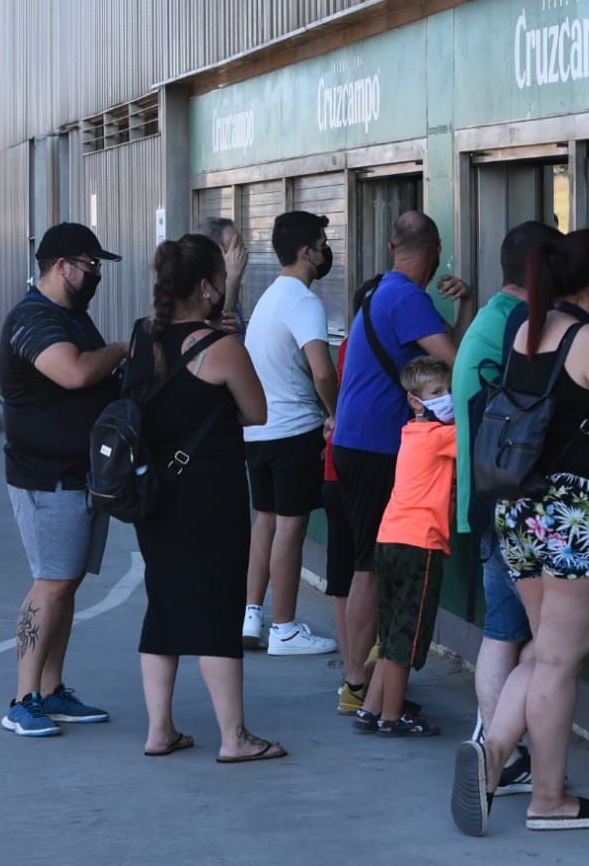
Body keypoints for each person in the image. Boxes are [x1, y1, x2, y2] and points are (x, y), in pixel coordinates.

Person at [452, 229, 589, 838]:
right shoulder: (586, 336)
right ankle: (547, 798)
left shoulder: (527, 327)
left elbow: (568, 400)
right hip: (580, 519)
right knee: (557, 662)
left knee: (543, 651)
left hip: (521, 511)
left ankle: (492, 755)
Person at [132, 234, 285, 762]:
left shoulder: (140, 339)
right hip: (209, 496)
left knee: (165, 605)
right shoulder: (221, 349)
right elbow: (257, 412)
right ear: (207, 286)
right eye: (222, 280)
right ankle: (234, 736)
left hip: (153, 494)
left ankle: (160, 729)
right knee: (218, 607)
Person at [330, 211, 473, 715]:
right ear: (433, 251)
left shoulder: (379, 292)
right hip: (375, 446)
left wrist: (465, 306)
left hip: (353, 441)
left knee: (366, 562)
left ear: (393, 247)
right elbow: (460, 361)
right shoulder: (410, 299)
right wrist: (469, 307)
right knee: (371, 567)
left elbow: (442, 359)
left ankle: (365, 683)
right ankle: (356, 686)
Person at [0, 222, 126, 738]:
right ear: (60, 266)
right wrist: (120, 349)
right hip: (44, 479)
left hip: (79, 475)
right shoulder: (33, 320)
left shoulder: (73, 317)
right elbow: (73, 373)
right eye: (90, 266)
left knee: (66, 584)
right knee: (50, 583)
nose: (95, 275)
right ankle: (23, 699)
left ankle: (51, 692)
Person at [451, 220, 553, 792]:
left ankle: (495, 747)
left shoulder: (492, 315)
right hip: (516, 502)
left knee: (501, 629)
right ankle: (508, 754)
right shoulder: (521, 323)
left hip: (486, 498)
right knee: (548, 641)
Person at [240, 210, 339, 656]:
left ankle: (251, 615)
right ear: (306, 252)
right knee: (291, 528)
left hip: (258, 432)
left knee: (266, 521)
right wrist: (334, 413)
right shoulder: (304, 301)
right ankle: (285, 629)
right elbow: (322, 370)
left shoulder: (270, 296)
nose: (325, 250)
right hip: (294, 432)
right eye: (322, 242)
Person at [355, 355, 457, 737]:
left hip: (390, 539)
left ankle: (372, 707)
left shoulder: (411, 433)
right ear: (416, 401)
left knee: (393, 629)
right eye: (437, 392)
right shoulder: (442, 436)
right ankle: (393, 717)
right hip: (420, 544)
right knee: (407, 635)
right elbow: (479, 434)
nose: (446, 398)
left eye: (449, 390)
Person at [190, 216, 249, 334]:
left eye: (240, 246)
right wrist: (233, 279)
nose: (240, 255)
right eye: (232, 249)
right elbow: (218, 340)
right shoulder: (197, 296)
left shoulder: (228, 289)